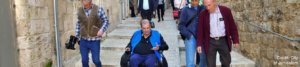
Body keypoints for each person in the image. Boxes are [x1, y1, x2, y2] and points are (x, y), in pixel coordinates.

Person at [196, 0, 240, 67]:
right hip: (210, 42)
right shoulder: (203, 14)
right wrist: (199, 44)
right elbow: (200, 30)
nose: (207, 8)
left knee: (226, 62)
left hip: (223, 41)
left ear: (214, 2)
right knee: (210, 64)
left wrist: (235, 40)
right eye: (206, 6)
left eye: (209, 5)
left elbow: (232, 26)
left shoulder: (226, 11)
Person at [75, 0, 109, 67]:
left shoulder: (98, 9)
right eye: (83, 1)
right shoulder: (80, 10)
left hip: (95, 40)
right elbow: (78, 24)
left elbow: (106, 21)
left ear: (90, 2)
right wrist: (77, 36)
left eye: (85, 2)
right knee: (84, 61)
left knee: (96, 60)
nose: (83, 3)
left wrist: (102, 30)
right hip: (83, 40)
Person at [178, 0, 205, 67]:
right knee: (190, 62)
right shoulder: (185, 9)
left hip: (202, 38)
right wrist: (189, 35)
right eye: (193, 0)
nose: (194, 2)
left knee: (203, 61)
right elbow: (181, 26)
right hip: (191, 38)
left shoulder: (203, 8)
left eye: (196, 1)